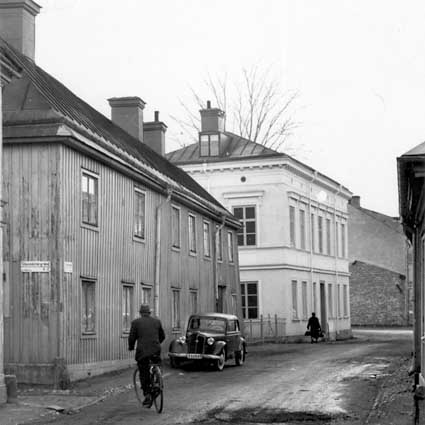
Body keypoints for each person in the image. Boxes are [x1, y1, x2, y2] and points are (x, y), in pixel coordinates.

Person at [128, 304, 165, 407]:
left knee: (143, 372)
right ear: (149, 312)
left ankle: (148, 394)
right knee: (157, 363)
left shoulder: (136, 323)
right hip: (155, 350)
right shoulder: (157, 321)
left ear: (140, 313)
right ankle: (158, 381)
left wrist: (131, 347)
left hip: (143, 352)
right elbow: (162, 336)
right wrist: (157, 343)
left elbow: (132, 338)